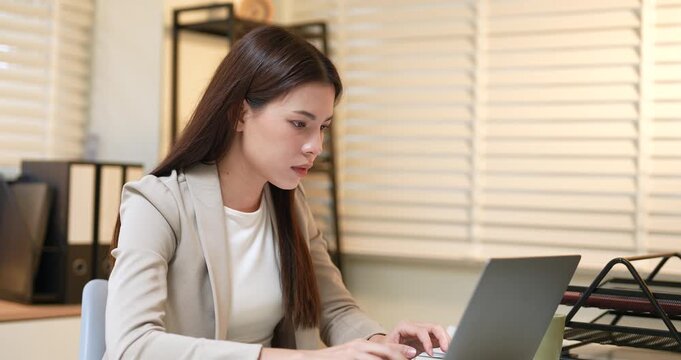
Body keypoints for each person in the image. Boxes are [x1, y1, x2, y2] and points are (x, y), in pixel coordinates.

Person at [105, 25, 450, 360]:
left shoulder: (290, 204)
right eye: (299, 124)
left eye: (323, 127)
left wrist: (382, 343)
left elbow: (334, 307)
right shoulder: (156, 203)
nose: (315, 146)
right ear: (239, 113)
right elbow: (132, 345)